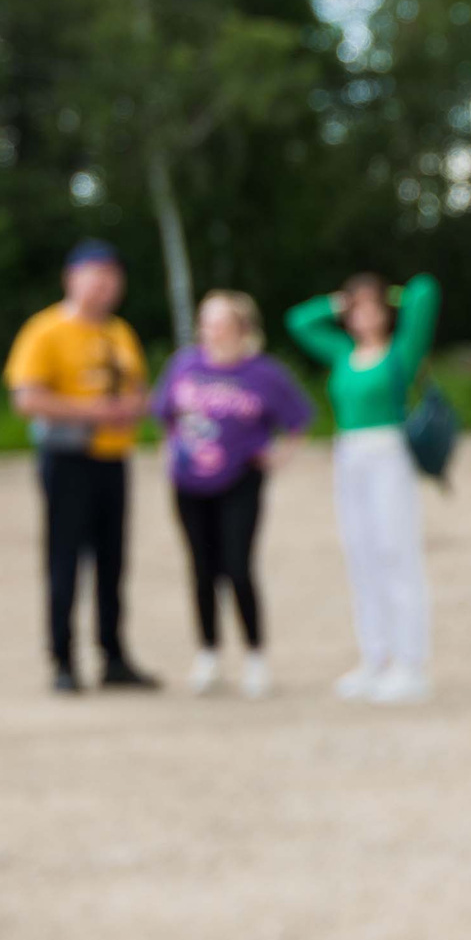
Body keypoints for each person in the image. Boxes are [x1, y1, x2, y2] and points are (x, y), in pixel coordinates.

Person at [4, 240, 159, 696]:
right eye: (96, 275)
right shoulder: (46, 331)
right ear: (71, 279)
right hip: (69, 457)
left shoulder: (119, 333)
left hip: (114, 458)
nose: (106, 285)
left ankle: (113, 655)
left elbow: (137, 390)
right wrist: (95, 412)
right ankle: (63, 659)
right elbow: (27, 398)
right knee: (66, 559)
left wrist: (136, 407)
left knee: (112, 560)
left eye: (113, 277)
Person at [286, 271, 440, 705]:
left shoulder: (400, 354)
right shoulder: (342, 353)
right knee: (361, 555)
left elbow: (425, 293)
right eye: (357, 309)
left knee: (397, 553)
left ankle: (411, 664)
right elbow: (298, 322)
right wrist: (340, 301)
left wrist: (384, 294)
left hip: (389, 451)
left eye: (371, 308)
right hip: (348, 454)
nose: (364, 315)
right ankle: (376, 658)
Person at [150, 290, 313, 701]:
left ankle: (256, 655)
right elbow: (165, 414)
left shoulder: (264, 373)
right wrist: (169, 447)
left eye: (220, 322)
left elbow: (299, 419)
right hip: (188, 483)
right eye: (206, 322)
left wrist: (279, 456)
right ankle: (208, 653)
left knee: (238, 566)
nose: (211, 331)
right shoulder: (185, 365)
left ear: (242, 328)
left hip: (240, 480)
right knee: (202, 568)